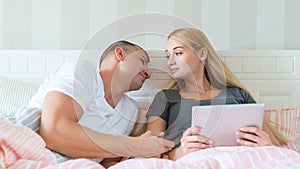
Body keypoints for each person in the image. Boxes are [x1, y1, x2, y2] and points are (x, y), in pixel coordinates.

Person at [146, 28, 289, 160]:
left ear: (202, 54)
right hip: (191, 162)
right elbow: (150, 151)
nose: (170, 62)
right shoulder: (165, 98)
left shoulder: (237, 95)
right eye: (167, 56)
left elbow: (275, 146)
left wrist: (267, 146)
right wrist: (182, 151)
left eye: (178, 53)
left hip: (241, 160)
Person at [24, 40, 174, 164]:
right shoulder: (83, 71)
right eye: (142, 62)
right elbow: (53, 132)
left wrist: (144, 158)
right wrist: (137, 146)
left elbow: (107, 162)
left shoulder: (130, 110)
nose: (148, 73)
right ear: (120, 54)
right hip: (26, 145)